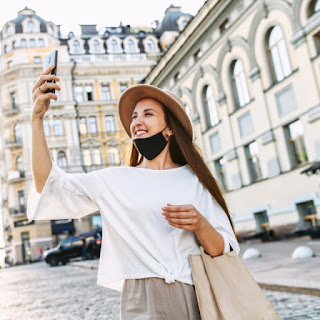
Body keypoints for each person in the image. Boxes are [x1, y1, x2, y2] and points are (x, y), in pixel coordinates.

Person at [27, 65, 240, 319]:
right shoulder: (115, 180)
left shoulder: (195, 181)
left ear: (170, 128)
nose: (137, 121)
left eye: (148, 114)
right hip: (139, 298)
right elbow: (48, 184)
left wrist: (201, 224)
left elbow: (225, 250)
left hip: (191, 295)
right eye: (135, 116)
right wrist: (36, 119)